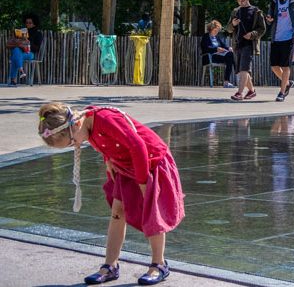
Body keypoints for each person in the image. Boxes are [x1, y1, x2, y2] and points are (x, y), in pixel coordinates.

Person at [37, 102, 184, 286]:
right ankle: (110, 265)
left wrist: (143, 182)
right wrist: (108, 159)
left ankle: (159, 264)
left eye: (73, 142)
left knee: (152, 213)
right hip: (124, 164)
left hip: (149, 162)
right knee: (117, 212)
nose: (76, 145)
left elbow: (137, 145)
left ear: (75, 125)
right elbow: (107, 142)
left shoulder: (105, 119)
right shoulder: (85, 125)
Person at [226, 0, 266, 101]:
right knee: (241, 70)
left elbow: (262, 29)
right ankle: (252, 91)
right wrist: (233, 24)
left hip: (249, 44)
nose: (241, 3)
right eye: (239, 1)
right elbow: (228, 29)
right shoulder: (235, 11)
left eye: (243, 1)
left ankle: (239, 93)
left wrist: (252, 34)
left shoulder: (256, 11)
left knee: (244, 69)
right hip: (237, 44)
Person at [8, 13, 43, 85]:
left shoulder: (38, 34)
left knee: (15, 56)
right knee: (16, 51)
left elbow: (37, 48)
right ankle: (21, 70)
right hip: (20, 51)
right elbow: (12, 44)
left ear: (34, 23)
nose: (28, 24)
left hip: (30, 53)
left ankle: (13, 79)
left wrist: (28, 42)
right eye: (26, 22)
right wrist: (17, 40)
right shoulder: (22, 32)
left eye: (30, 23)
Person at [200, 20, 235, 88]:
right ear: (211, 29)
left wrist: (229, 48)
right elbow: (205, 49)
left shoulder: (217, 37)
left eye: (218, 30)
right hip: (210, 56)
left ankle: (228, 81)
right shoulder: (205, 36)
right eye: (215, 30)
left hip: (220, 56)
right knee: (231, 57)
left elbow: (224, 46)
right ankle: (238, 77)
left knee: (231, 55)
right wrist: (216, 49)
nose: (217, 32)